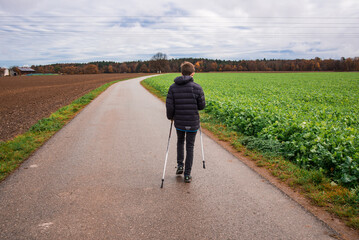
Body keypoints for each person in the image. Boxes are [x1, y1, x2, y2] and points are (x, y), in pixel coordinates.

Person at [166, 61, 206, 183]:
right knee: (190, 147)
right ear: (192, 73)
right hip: (193, 122)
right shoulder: (197, 88)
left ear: (181, 72)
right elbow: (202, 106)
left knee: (180, 142)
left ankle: (180, 166)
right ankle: (187, 174)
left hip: (179, 121)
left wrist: (170, 117)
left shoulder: (173, 87)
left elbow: (170, 106)